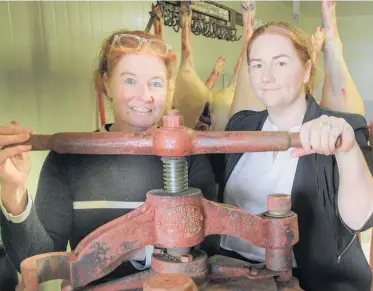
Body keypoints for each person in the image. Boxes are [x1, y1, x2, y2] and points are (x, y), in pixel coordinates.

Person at [0, 30, 216, 284]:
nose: (145, 95)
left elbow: (210, 245)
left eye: (156, 83)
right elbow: (38, 259)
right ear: (106, 83)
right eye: (129, 80)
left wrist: (121, 251)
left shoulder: (189, 157)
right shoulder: (68, 157)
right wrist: (13, 192)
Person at [210, 21, 373, 291]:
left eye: (280, 63)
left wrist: (345, 150)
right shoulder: (241, 125)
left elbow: (361, 218)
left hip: (308, 281)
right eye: (257, 64)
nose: (266, 77)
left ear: (306, 71)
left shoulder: (341, 127)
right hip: (231, 273)